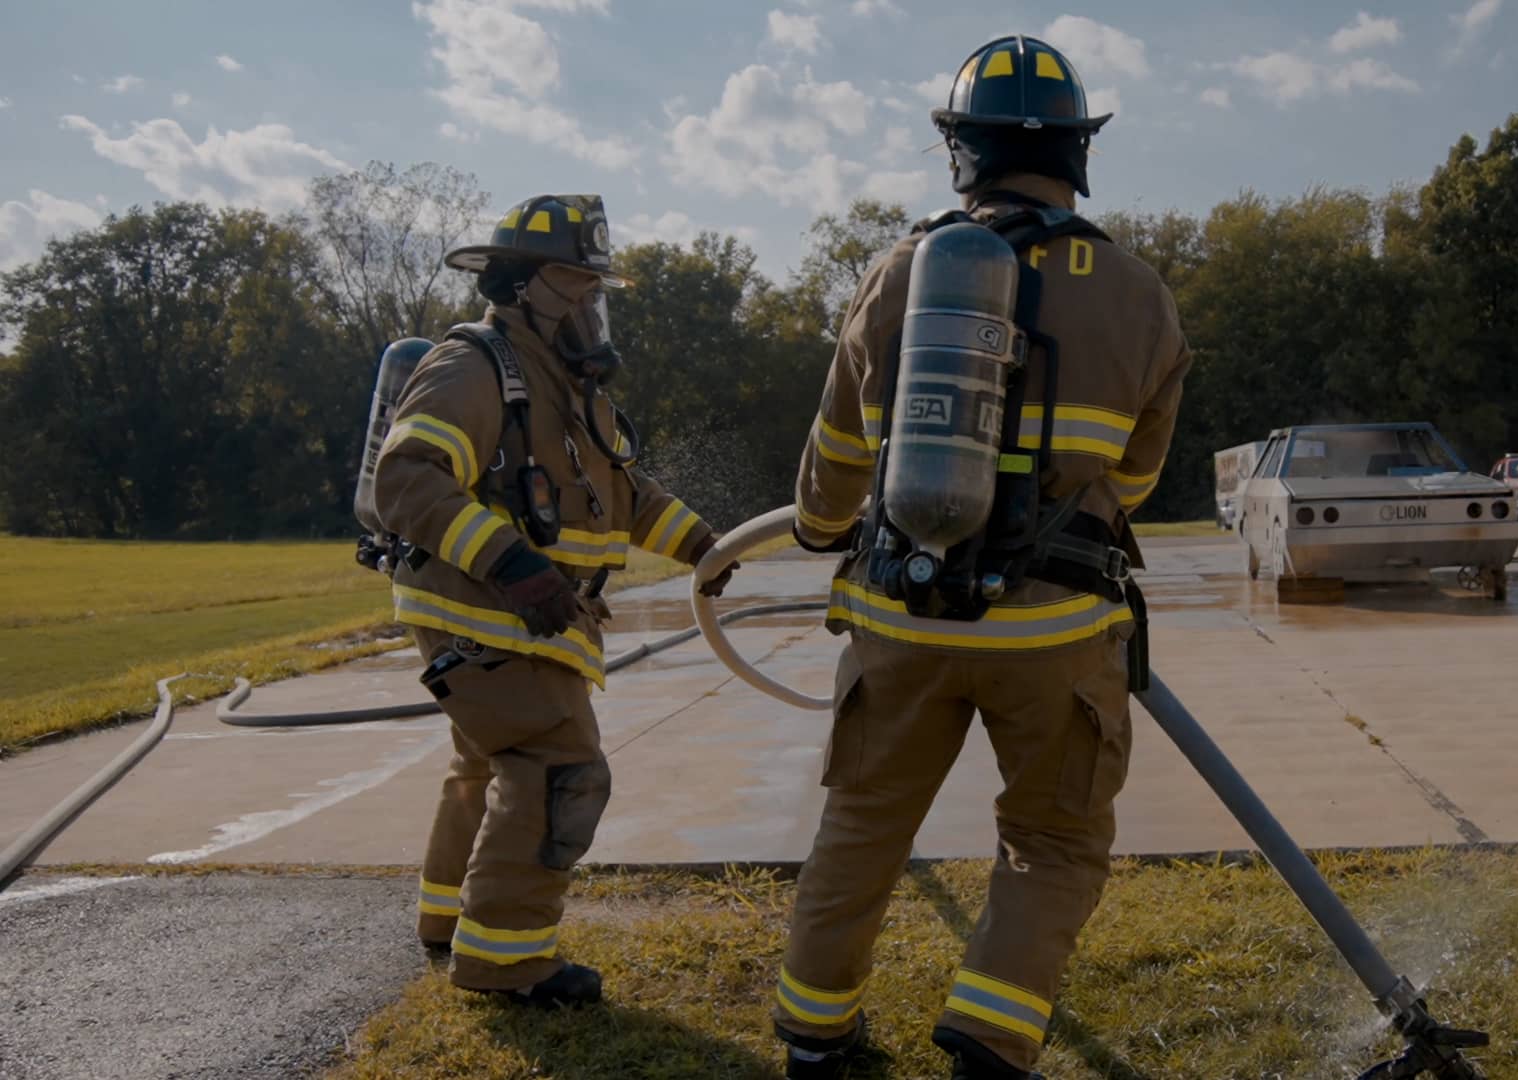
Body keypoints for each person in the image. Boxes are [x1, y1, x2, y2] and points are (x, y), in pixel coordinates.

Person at [771, 35, 1192, 1080]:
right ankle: (990, 1040)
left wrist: (820, 529)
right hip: (1056, 630)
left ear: (962, 150)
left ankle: (816, 1038)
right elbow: (1136, 475)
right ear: (1077, 150)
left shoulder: (899, 273)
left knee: (863, 824)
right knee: (1053, 841)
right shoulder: (1138, 292)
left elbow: (837, 456)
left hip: (901, 616)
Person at [370, 193, 734, 1007]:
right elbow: (407, 479)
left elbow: (622, 493)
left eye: (598, 292)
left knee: (486, 765)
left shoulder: (566, 385)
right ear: (526, 286)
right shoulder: (474, 367)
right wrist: (512, 565)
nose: (593, 309)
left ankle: (447, 920)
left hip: (529, 618)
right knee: (558, 767)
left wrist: (706, 547)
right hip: (490, 612)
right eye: (580, 287)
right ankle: (506, 960)